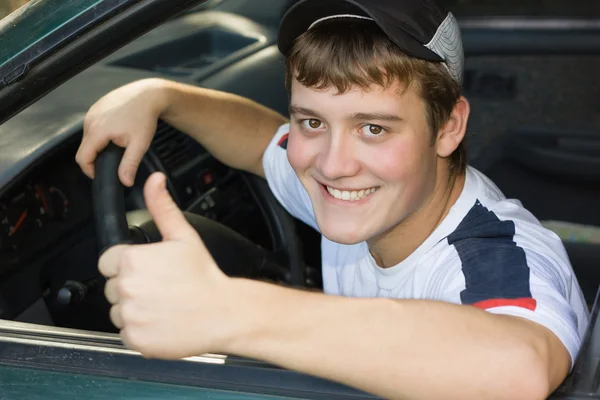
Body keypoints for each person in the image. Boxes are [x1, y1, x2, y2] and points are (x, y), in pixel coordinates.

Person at [76, 0, 589, 398]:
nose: (331, 164)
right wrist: (160, 96)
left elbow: (520, 366)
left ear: (449, 127)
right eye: (313, 121)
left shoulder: (493, 254)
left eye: (373, 128)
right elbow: (260, 141)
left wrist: (229, 310)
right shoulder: (361, 195)